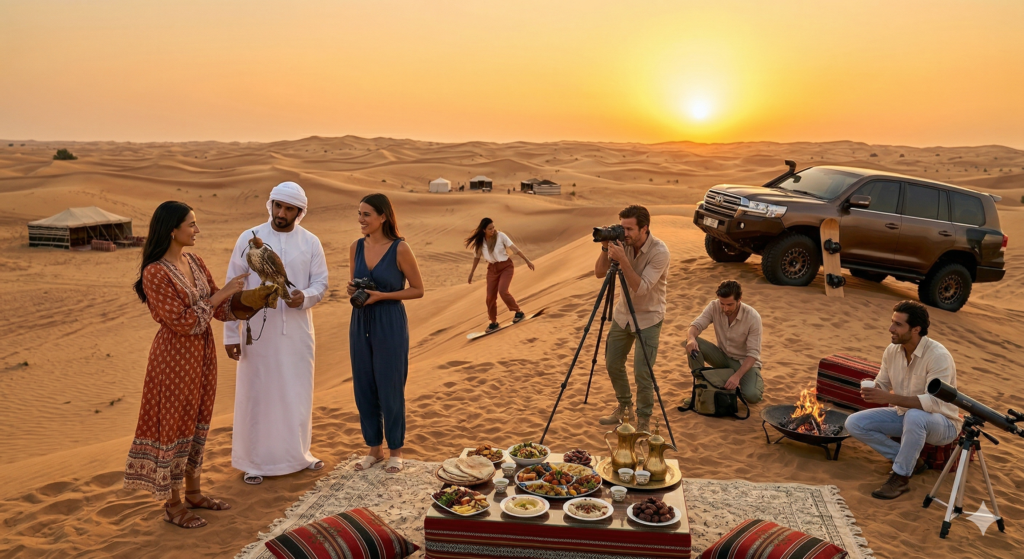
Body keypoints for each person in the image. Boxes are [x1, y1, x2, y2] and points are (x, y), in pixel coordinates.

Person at [124, 201, 248, 529]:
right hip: (173, 358)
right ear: (172, 230)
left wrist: (251, 300)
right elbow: (185, 322)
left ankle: (194, 493)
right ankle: (173, 504)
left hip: (202, 355)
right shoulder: (155, 272)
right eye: (191, 224)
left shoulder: (195, 260)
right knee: (174, 427)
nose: (196, 230)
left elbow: (218, 310)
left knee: (198, 423)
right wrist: (224, 295)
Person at [224, 182, 330, 485]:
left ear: (299, 212)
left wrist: (304, 297)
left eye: (289, 209)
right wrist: (230, 335)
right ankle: (255, 462)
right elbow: (234, 286)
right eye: (278, 206)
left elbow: (321, 284)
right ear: (270, 204)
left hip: (297, 331)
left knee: (296, 394)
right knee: (258, 394)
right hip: (258, 332)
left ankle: (299, 455)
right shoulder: (248, 238)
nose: (281, 213)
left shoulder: (310, 242)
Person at [845, 301, 962, 500]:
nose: (890, 329)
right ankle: (911, 460)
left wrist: (889, 398)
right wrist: (873, 389)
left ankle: (901, 477)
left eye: (898, 325)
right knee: (854, 423)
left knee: (917, 416)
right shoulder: (892, 350)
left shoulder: (938, 356)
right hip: (906, 415)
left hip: (943, 423)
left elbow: (933, 403)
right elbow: (882, 382)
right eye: (892, 322)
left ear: (916, 329)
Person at [348, 193, 424, 473]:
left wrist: (381, 296)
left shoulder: (400, 249)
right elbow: (354, 284)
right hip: (359, 321)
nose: (361, 220)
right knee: (364, 385)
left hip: (389, 320)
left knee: (390, 386)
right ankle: (373, 449)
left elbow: (418, 290)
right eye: (359, 214)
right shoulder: (355, 247)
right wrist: (354, 291)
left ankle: (395, 450)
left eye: (366, 214)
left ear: (383, 217)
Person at [596, 205, 670, 434]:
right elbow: (599, 273)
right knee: (612, 363)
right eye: (622, 227)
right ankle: (625, 406)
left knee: (642, 371)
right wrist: (605, 247)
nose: (624, 233)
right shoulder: (622, 245)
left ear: (644, 228)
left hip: (648, 317)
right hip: (622, 314)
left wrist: (622, 260)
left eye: (629, 229)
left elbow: (641, 288)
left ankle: (644, 418)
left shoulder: (660, 252)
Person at [681, 280, 765, 406]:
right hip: (722, 357)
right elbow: (696, 325)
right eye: (722, 304)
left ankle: (730, 380)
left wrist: (737, 376)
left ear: (739, 299)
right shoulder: (714, 306)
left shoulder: (753, 317)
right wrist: (691, 338)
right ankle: (701, 390)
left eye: (730, 304)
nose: (725, 308)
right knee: (693, 343)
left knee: (753, 396)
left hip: (744, 363)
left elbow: (753, 354)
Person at [465, 218, 535, 331]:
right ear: (483, 230)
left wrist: (527, 260)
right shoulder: (480, 242)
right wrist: (471, 273)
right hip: (492, 269)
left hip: (506, 267)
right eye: (490, 229)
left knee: (503, 290)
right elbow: (477, 257)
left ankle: (518, 312)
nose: (493, 230)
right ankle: (493, 322)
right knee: (490, 297)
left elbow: (514, 248)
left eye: (493, 227)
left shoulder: (501, 236)